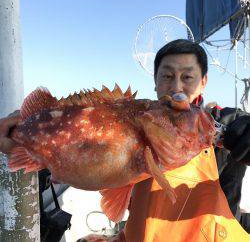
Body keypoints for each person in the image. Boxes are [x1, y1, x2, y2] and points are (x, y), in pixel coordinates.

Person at [0, 39, 250, 241]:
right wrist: (28, 124)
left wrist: (239, 132)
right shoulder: (139, 120)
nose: (177, 87)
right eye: (167, 76)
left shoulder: (222, 124)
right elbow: (139, 222)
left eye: (187, 77)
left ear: (203, 81)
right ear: (155, 81)